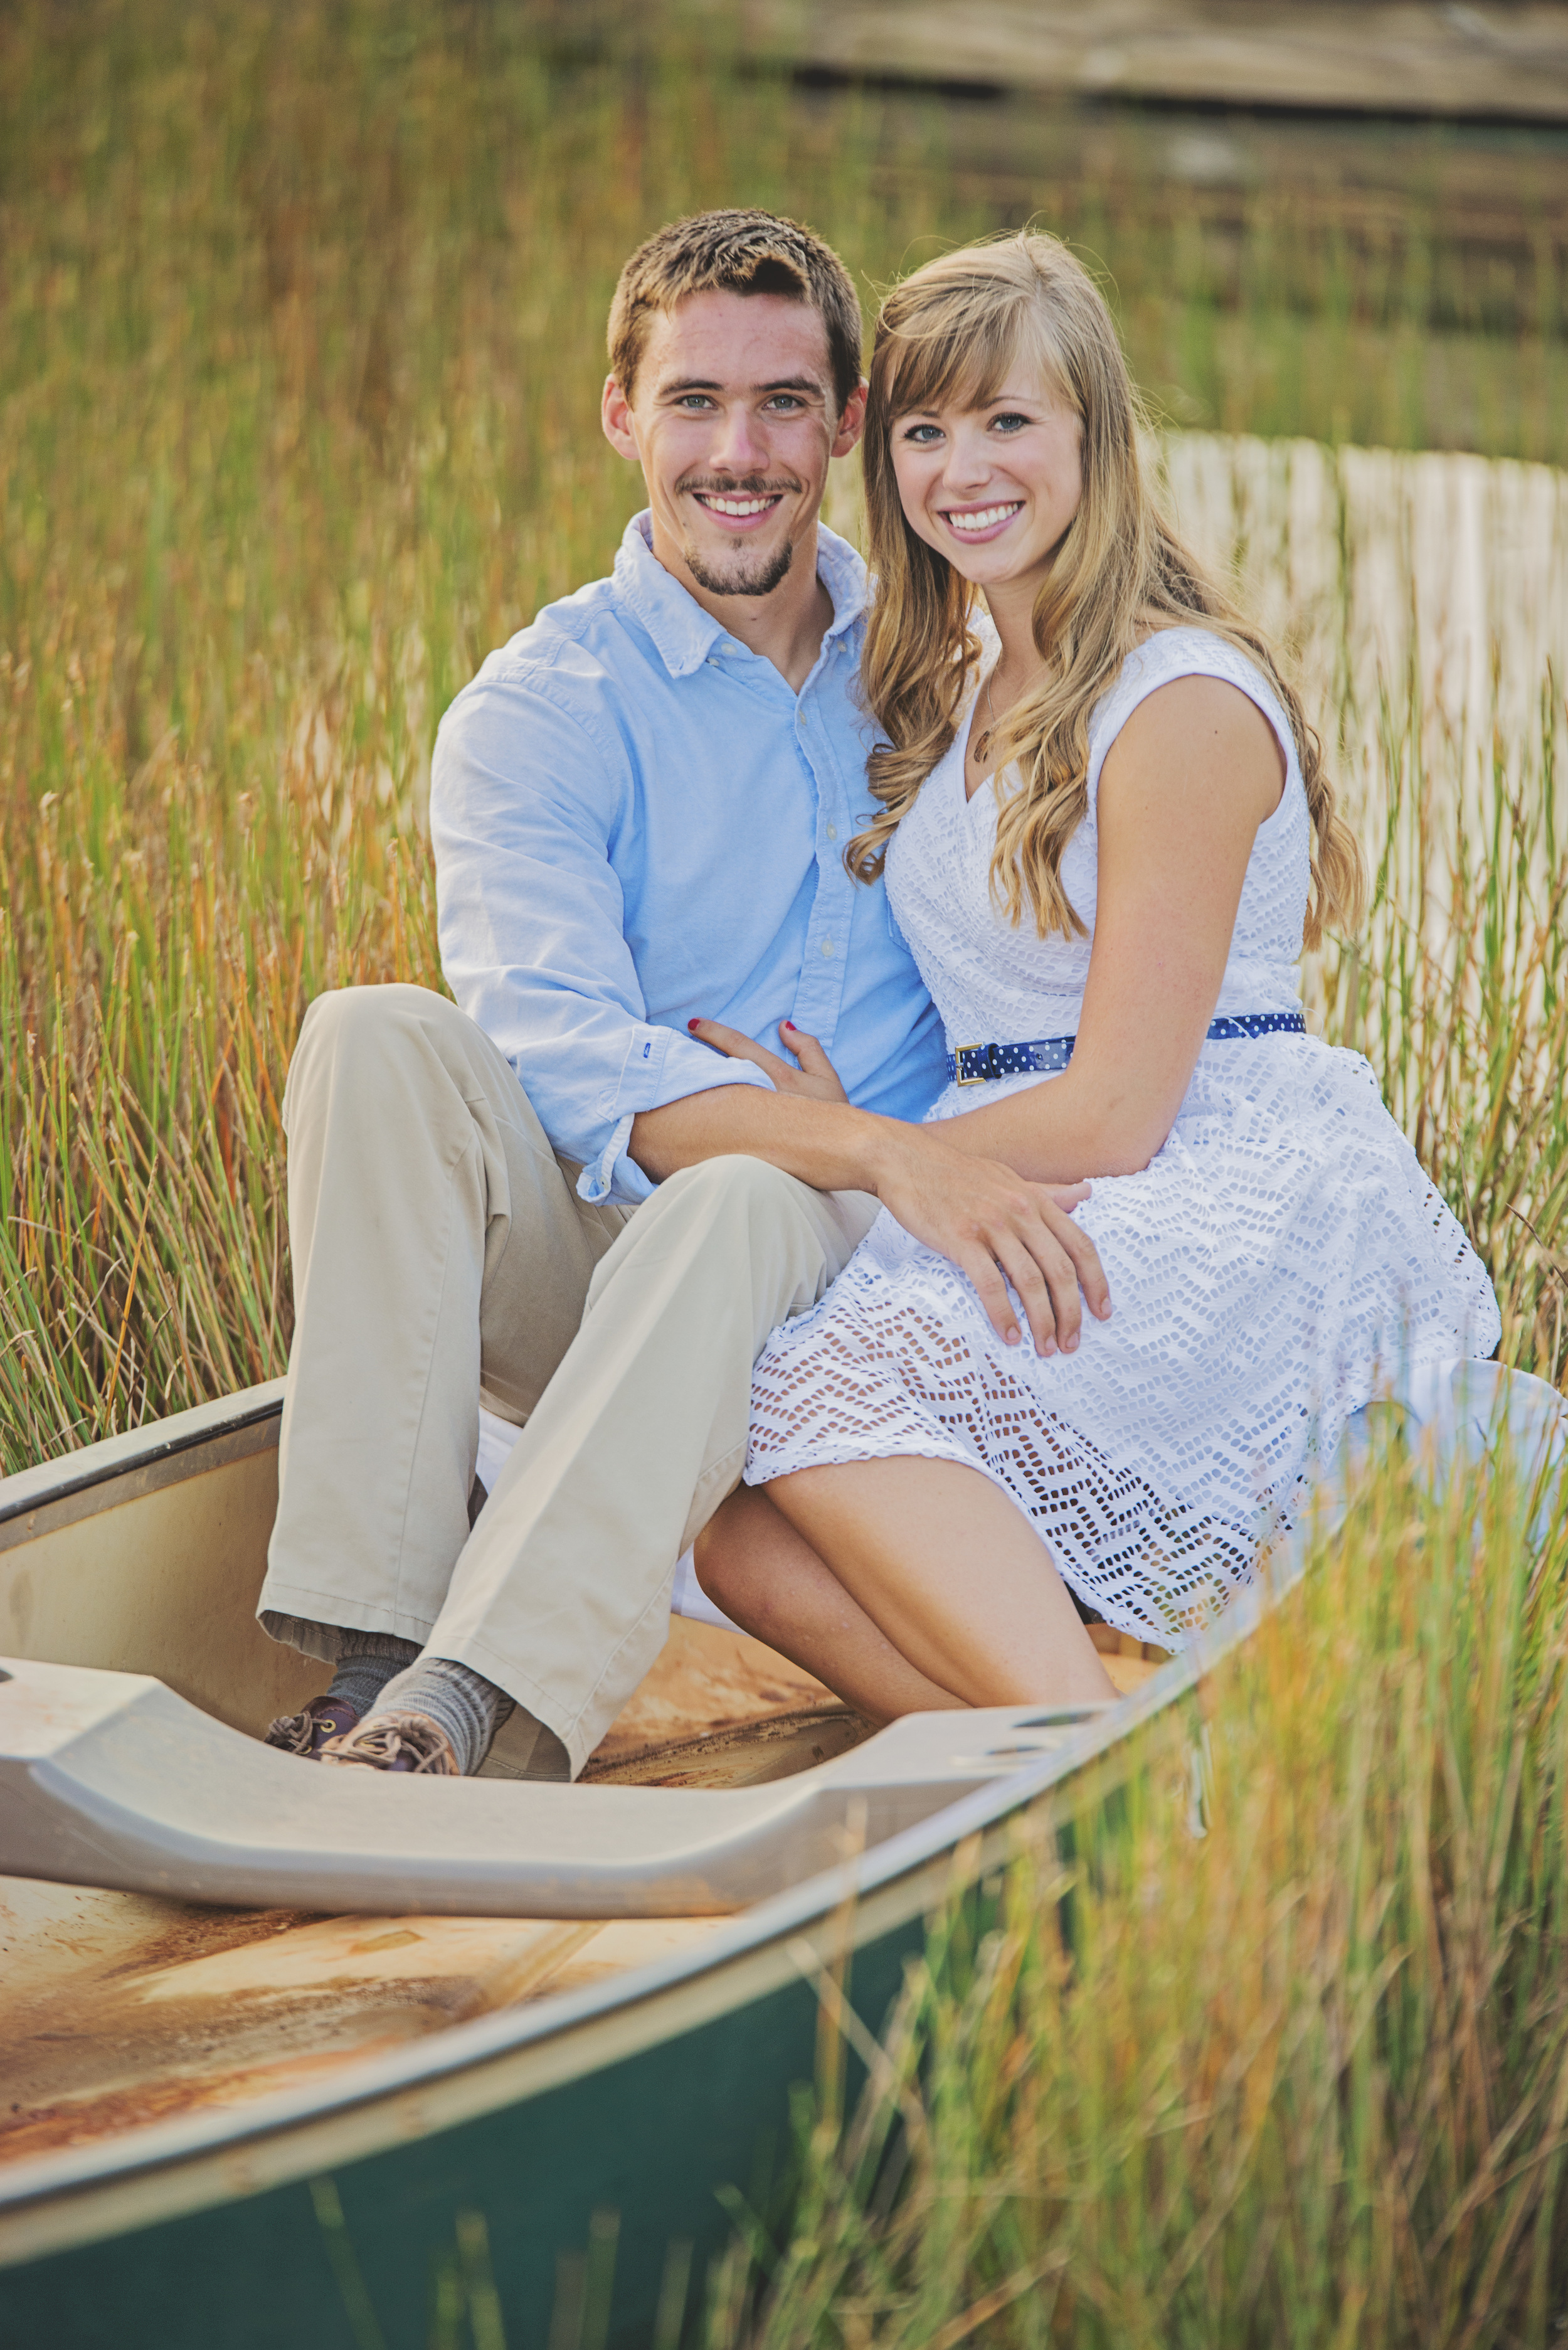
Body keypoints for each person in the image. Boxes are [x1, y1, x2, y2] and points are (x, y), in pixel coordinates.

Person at [257, 210, 1110, 1780]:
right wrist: (858, 1142)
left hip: (863, 1271)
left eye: (784, 402)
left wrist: (865, 1156)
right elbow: (563, 1059)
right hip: (625, 1258)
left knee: (742, 1198)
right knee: (371, 1034)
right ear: (620, 417)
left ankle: (485, 1709)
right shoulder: (541, 707)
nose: (740, 450)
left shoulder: (942, 663)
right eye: (694, 402)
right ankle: (372, 1647)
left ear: (846, 425)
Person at [687, 231, 1505, 1720]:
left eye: (1009, 422)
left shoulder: (1174, 695)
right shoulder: (957, 680)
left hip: (1201, 1169)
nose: (963, 468)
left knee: (808, 1395)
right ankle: (1082, 1747)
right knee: (729, 1527)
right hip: (1028, 1161)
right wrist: (852, 1111)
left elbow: (1123, 1100)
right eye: (927, 430)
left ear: (1093, 439)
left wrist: (864, 1160)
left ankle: (1094, 1782)